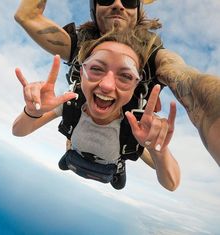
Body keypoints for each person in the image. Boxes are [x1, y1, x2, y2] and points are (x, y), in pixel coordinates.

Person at [14, 0, 220, 166]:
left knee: (132, 143)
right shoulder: (78, 47)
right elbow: (26, 16)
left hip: (127, 128)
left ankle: (113, 163)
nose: (118, 4)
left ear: (139, 10)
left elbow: (190, 81)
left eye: (130, 1)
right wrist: (34, 111)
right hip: (89, 116)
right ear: (94, 7)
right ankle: (78, 152)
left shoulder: (155, 59)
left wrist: (158, 151)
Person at [12, 28, 180, 191]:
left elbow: (171, 183)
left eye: (126, 76)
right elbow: (18, 131)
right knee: (68, 163)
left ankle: (117, 170)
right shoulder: (71, 104)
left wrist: (157, 148)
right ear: (82, 73)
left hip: (110, 166)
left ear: (135, 86)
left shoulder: (135, 127)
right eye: (97, 69)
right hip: (77, 154)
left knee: (117, 184)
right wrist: (33, 112)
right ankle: (73, 159)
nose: (106, 85)